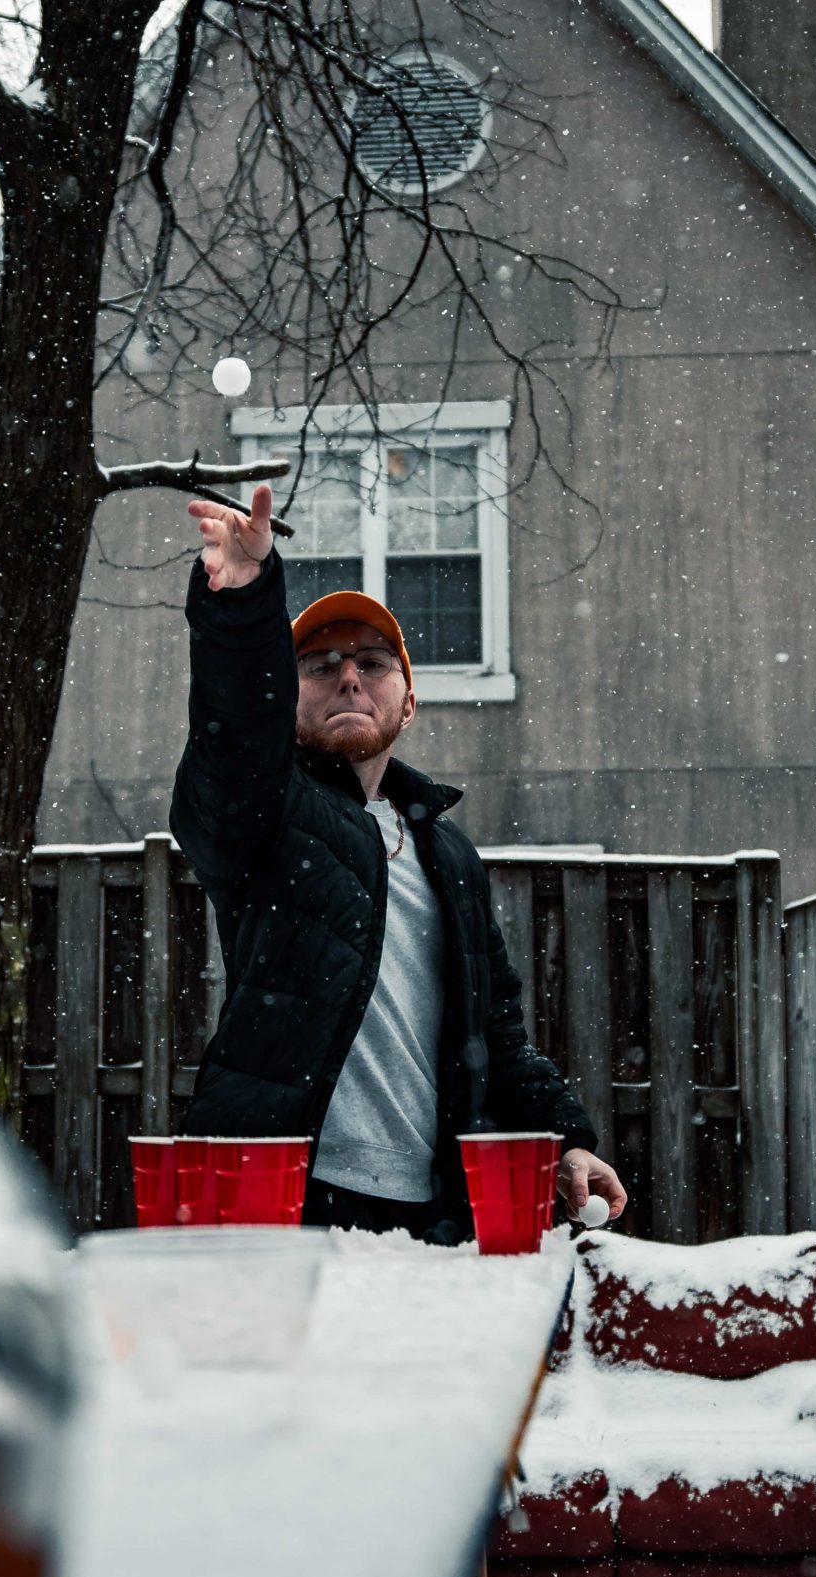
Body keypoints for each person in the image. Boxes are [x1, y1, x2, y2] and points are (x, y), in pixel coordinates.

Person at [171, 483, 627, 1240]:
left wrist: (568, 1136)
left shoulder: (447, 851)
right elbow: (230, 733)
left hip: (433, 1208)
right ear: (287, 701)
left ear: (407, 702)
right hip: (285, 1195)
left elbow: (497, 1032)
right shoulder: (264, 812)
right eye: (316, 666)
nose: (346, 676)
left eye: (372, 663)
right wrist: (243, 601)